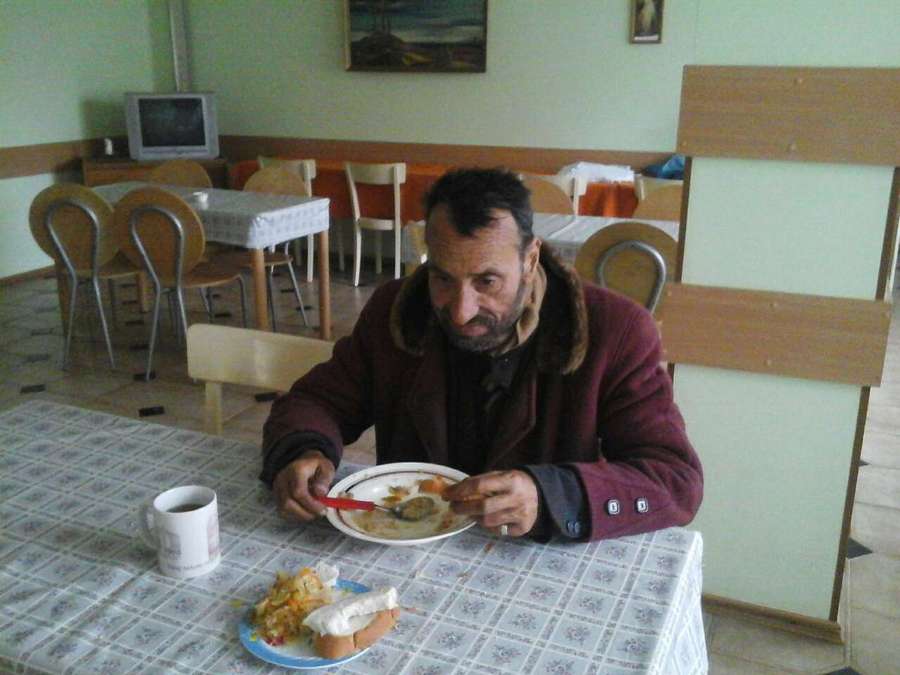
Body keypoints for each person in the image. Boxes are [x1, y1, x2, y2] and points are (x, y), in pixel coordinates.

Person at [261, 168, 702, 541]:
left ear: (530, 259)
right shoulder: (396, 311)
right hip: (405, 556)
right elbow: (316, 401)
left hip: (537, 563)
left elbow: (675, 481)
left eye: (487, 281)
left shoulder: (614, 331)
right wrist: (303, 451)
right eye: (442, 278)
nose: (460, 311)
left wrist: (550, 495)